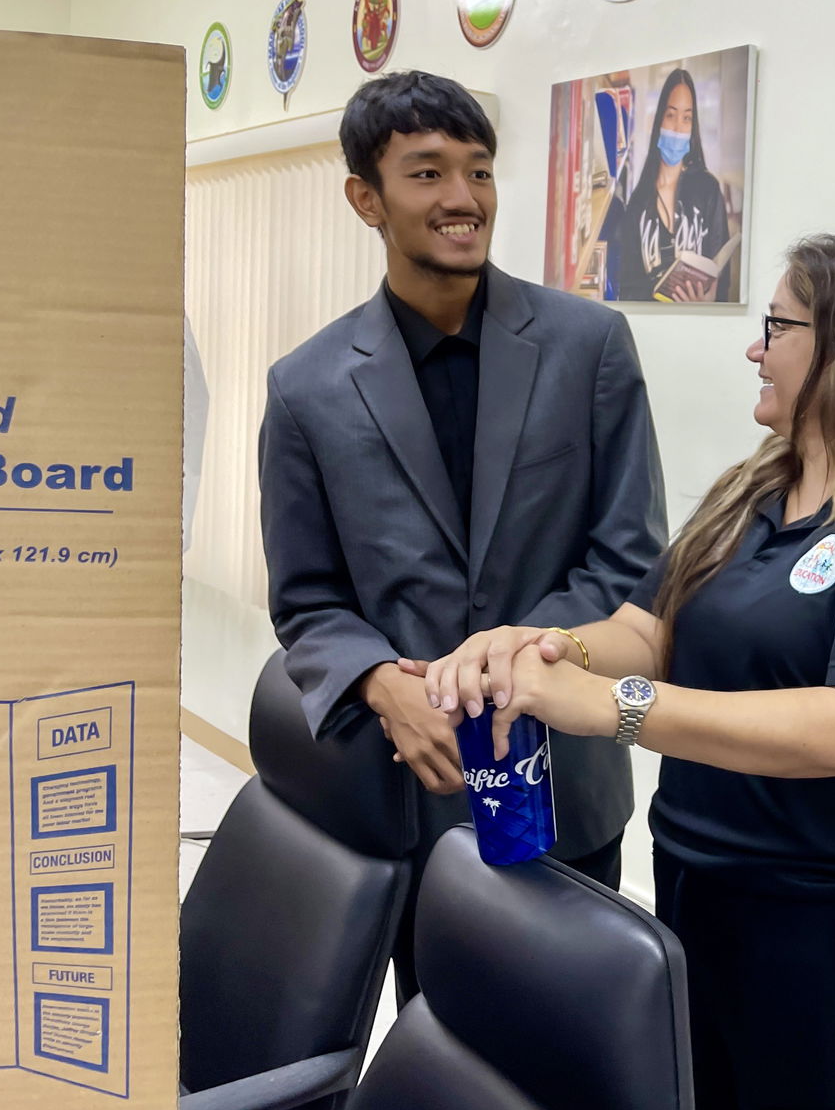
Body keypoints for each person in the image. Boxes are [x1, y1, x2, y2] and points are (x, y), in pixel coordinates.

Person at [423, 235, 835, 1110]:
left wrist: (611, 706)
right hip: (706, 889)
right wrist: (546, 647)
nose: (754, 347)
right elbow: (651, 628)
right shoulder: (757, 487)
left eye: (776, 326)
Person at [258, 70, 666, 1002]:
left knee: (563, 1048)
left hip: (565, 772)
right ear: (366, 197)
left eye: (479, 173)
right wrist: (374, 680)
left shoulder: (588, 344)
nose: (462, 199)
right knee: (438, 1037)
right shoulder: (307, 387)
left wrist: (512, 657)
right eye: (427, 173)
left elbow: (630, 559)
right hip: (409, 780)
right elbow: (307, 599)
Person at [607, 66, 732, 302]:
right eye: (671, 115)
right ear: (659, 121)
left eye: (686, 118)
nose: (677, 128)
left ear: (693, 126)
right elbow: (627, 287)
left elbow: (722, 279)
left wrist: (708, 306)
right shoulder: (638, 203)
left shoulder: (708, 189)